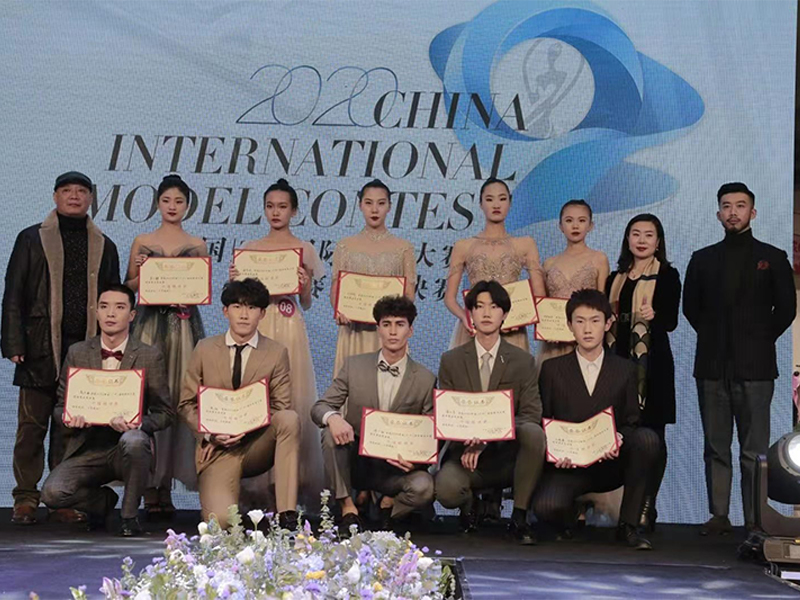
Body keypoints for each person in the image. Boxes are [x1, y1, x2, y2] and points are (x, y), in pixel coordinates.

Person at [1, 171, 120, 525]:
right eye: (67, 190)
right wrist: (13, 342)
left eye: (82, 191)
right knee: (31, 427)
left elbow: (114, 302)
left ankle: (59, 498)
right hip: (38, 348)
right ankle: (25, 497)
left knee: (72, 430)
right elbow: (13, 293)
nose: (74, 196)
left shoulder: (105, 245)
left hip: (84, 351)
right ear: (55, 196)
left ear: (91, 199)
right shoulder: (31, 238)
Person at [683, 182, 795, 535]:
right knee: (715, 447)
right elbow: (691, 309)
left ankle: (754, 519)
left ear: (753, 212)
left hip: (757, 368)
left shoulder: (773, 257)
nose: (733, 212)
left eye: (740, 205)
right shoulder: (702, 259)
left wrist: (758, 340)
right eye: (727, 206)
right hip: (711, 366)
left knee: (754, 451)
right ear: (718, 214)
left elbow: (786, 310)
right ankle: (718, 515)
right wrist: (716, 338)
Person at [533, 289, 660, 550]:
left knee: (647, 439)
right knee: (546, 508)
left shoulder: (625, 369)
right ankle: (569, 516)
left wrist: (618, 438)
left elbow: (632, 421)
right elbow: (543, 421)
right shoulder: (552, 369)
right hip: (569, 466)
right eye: (580, 321)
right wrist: (556, 452)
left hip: (610, 465)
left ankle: (628, 525)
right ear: (569, 325)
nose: (587, 329)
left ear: (608, 323)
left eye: (595, 321)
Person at [40, 285, 172, 536]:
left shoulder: (149, 355)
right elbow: (59, 408)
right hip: (87, 447)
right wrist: (69, 419)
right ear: (96, 312)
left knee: (134, 440)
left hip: (127, 447)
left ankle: (129, 517)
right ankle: (102, 503)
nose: (111, 313)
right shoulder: (78, 352)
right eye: (104, 306)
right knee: (52, 494)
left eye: (119, 307)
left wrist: (138, 424)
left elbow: (165, 413)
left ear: (131, 315)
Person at [229, 178, 325, 512]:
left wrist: (303, 286)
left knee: (292, 395)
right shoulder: (250, 248)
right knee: (256, 393)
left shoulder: (304, 248)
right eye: (270, 206)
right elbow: (236, 300)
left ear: (294, 211)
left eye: (282, 206)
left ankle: (288, 485)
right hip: (257, 323)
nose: (276, 212)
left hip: (288, 323)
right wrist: (235, 282)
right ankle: (255, 483)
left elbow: (307, 302)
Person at [178, 278, 300, 530]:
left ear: (262, 314)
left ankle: (287, 513)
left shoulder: (276, 352)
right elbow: (186, 403)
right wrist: (210, 436)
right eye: (237, 307)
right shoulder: (204, 349)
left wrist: (248, 426)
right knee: (221, 524)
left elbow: (281, 405)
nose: (244, 315)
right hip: (218, 448)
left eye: (252, 308)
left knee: (289, 419)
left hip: (256, 443)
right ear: (225, 311)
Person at [311, 295, 436, 534]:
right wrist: (333, 418)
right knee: (329, 434)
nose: (393, 332)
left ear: (410, 330)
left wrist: (416, 461)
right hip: (357, 462)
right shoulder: (354, 366)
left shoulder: (425, 378)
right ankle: (348, 509)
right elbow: (320, 407)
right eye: (386, 324)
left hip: (395, 469)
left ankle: (387, 506)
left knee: (424, 486)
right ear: (378, 329)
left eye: (400, 324)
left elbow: (430, 434)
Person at [434, 280, 546, 545]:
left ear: (504, 314)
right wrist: (468, 441)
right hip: (465, 455)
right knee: (447, 491)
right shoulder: (451, 360)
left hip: (506, 456)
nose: (486, 313)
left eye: (494, 307)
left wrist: (487, 438)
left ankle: (519, 516)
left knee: (534, 432)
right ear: (470, 313)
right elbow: (446, 414)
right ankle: (469, 503)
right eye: (479, 306)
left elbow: (531, 413)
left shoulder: (522, 361)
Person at [124, 174, 207, 518]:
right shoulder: (142, 241)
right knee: (150, 397)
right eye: (166, 200)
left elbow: (200, 290)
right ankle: (147, 486)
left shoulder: (197, 244)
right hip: (148, 327)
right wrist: (140, 274)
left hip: (184, 328)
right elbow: (129, 286)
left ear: (188, 205)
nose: (172, 207)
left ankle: (167, 484)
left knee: (179, 398)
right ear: (157, 203)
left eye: (179, 201)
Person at [605, 214, 681, 531]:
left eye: (648, 235)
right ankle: (619, 505)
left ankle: (648, 504)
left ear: (658, 241)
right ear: (627, 239)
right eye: (635, 234)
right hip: (616, 362)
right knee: (618, 432)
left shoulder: (668, 275)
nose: (641, 240)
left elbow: (671, 322)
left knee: (653, 436)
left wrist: (655, 314)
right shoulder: (615, 277)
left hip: (653, 366)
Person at [444, 178, 546, 352]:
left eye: (502, 198)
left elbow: (539, 294)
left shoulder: (525, 244)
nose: (496, 205)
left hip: (511, 328)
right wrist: (465, 317)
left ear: (510, 203)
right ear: (480, 204)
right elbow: (449, 298)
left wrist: (520, 316)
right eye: (490, 199)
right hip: (474, 328)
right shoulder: (463, 246)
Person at [330, 179, 416, 376]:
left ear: (389, 207)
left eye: (381, 203)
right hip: (354, 331)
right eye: (368, 203)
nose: (374, 209)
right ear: (360, 205)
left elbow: (409, 295)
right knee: (353, 383)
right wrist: (340, 312)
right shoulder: (344, 246)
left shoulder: (404, 248)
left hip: (389, 332)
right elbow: (336, 290)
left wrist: (396, 320)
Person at [541, 199, 608, 362]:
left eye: (582, 220)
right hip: (554, 341)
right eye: (569, 220)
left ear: (591, 225)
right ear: (560, 226)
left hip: (586, 339)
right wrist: (547, 328)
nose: (575, 226)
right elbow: (543, 304)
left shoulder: (599, 259)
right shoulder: (549, 263)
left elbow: (602, 302)